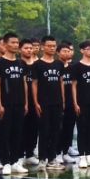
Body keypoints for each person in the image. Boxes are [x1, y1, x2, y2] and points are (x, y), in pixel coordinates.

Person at [0, 32, 29, 175]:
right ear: (5, 44)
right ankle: (6, 162)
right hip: (5, 104)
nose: (15, 45)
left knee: (17, 132)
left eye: (17, 43)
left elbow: (24, 83)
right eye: (12, 42)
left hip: (19, 103)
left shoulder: (21, 63)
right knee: (5, 133)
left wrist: (26, 103)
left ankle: (15, 161)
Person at [32, 35, 66, 170]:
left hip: (57, 102)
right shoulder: (37, 64)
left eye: (54, 46)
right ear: (42, 47)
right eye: (49, 46)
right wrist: (36, 102)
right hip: (43, 103)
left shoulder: (59, 64)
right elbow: (34, 84)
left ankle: (52, 158)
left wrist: (63, 100)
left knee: (55, 131)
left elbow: (61, 82)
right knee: (44, 131)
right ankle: (42, 159)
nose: (52, 48)